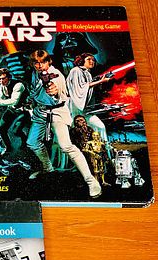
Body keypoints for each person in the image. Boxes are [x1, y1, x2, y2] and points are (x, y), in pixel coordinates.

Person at [26, 49, 101, 198]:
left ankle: (91, 181)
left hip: (57, 112)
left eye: (43, 62)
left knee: (66, 146)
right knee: (32, 142)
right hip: (40, 112)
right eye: (36, 63)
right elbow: (35, 91)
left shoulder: (57, 76)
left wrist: (52, 91)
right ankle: (48, 168)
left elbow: (54, 91)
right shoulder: (35, 73)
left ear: (49, 62)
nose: (39, 66)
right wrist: (31, 100)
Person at [66, 53, 111, 142]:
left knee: (100, 127)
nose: (92, 61)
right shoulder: (76, 70)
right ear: (82, 60)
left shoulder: (88, 73)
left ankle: (105, 147)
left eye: (93, 60)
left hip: (85, 108)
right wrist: (100, 81)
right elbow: (79, 88)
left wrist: (98, 82)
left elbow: (87, 88)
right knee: (71, 129)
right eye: (89, 59)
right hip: (75, 107)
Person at [0, 68, 30, 152]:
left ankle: (25, 142)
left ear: (9, 77)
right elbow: (0, 98)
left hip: (23, 111)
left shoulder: (18, 85)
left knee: (16, 131)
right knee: (1, 129)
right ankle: (8, 148)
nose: (1, 81)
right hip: (12, 110)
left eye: (3, 78)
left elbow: (14, 101)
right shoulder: (2, 86)